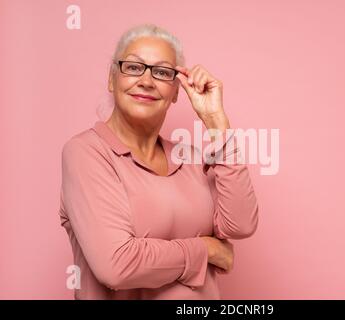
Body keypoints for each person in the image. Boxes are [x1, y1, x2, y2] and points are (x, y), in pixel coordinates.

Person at [59, 23, 259, 299]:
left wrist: (216, 123)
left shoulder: (189, 158)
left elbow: (240, 224)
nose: (146, 81)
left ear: (177, 91)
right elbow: (116, 264)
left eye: (163, 72)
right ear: (111, 78)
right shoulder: (86, 152)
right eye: (133, 67)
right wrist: (207, 250)